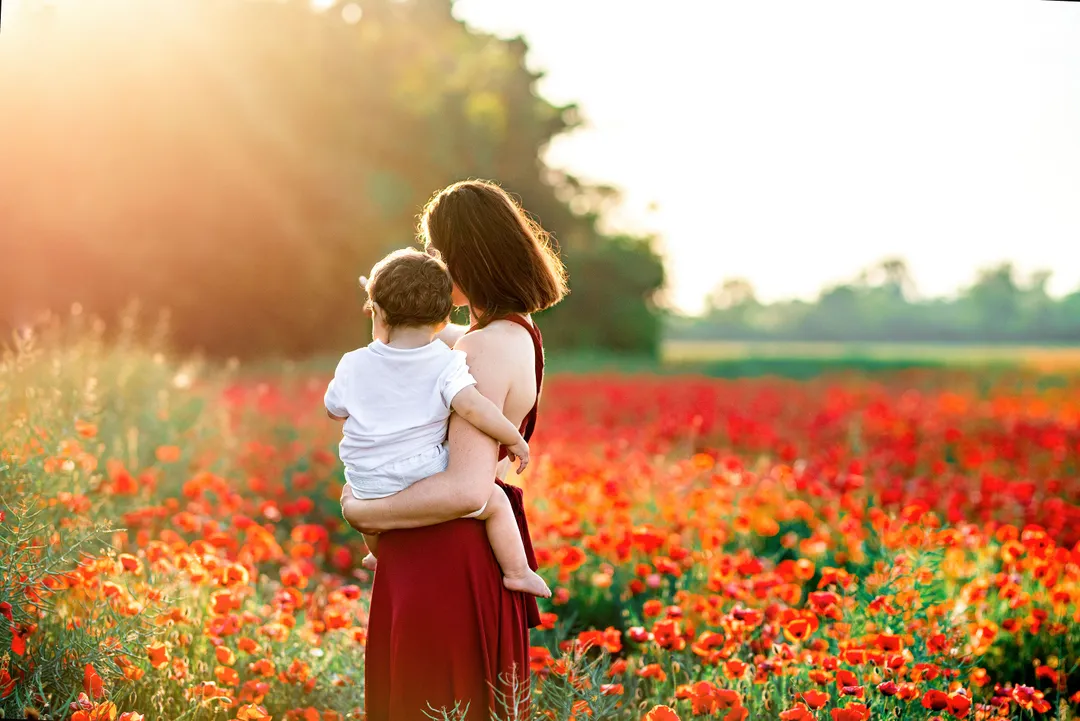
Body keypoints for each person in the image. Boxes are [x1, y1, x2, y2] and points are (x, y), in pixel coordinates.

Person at [340, 179, 567, 720]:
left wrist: (362, 510)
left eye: (440, 252)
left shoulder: (481, 348)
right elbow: (436, 341)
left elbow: (467, 489)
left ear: (469, 254)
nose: (435, 266)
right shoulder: (512, 333)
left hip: (445, 564)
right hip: (452, 558)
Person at [325, 247, 550, 598]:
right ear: (445, 319)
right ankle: (518, 571)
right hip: (424, 473)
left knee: (359, 492)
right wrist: (514, 439)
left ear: (378, 314)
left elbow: (335, 409)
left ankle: (376, 552)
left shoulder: (352, 363)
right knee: (493, 500)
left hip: (369, 477)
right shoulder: (449, 362)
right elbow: (477, 409)